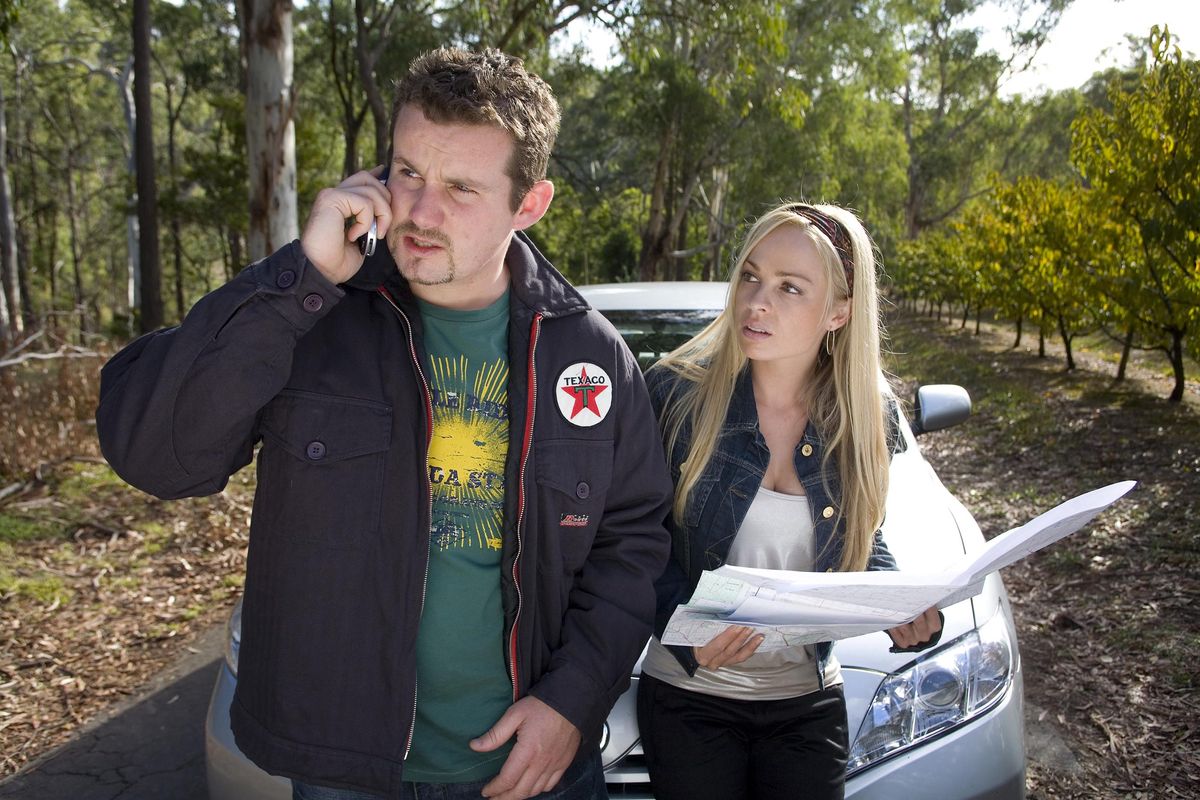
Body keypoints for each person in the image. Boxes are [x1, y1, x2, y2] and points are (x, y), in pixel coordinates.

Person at [96, 47, 672, 800]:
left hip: (532, 774)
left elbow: (631, 544)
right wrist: (294, 283)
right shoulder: (311, 315)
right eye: (408, 173)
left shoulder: (587, 352)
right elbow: (155, 454)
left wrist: (572, 702)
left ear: (529, 205)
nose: (422, 213)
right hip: (348, 771)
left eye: (462, 188)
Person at [636, 202, 943, 800]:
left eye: (789, 288)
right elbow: (635, 538)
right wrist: (681, 624)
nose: (757, 301)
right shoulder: (676, 394)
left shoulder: (862, 417)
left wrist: (902, 603)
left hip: (809, 702)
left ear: (838, 312)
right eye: (750, 275)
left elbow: (863, 537)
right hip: (688, 698)